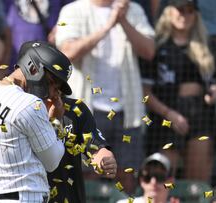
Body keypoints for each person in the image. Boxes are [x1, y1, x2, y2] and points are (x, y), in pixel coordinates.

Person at [55, 0, 155, 194]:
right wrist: (108, 25)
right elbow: (67, 53)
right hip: (86, 110)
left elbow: (149, 51)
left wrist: (123, 21)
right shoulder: (72, 10)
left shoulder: (132, 9)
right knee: (86, 174)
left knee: (126, 175)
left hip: (128, 111)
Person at [0, 41, 75, 202]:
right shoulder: (30, 104)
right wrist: (56, 120)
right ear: (34, 68)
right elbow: (52, 162)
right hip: (21, 196)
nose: (54, 93)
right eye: (53, 82)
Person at [0, 96, 118, 203]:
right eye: (52, 81)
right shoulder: (18, 111)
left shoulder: (75, 109)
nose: (56, 90)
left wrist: (104, 159)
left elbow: (96, 147)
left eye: (60, 83)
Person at [141, 0, 216, 181]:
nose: (185, 15)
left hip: (201, 114)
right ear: (168, 11)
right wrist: (170, 114)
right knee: (163, 179)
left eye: (190, 10)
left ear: (196, 14)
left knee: (197, 184)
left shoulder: (206, 44)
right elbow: (144, 93)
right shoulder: (156, 47)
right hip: (165, 116)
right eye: (180, 9)